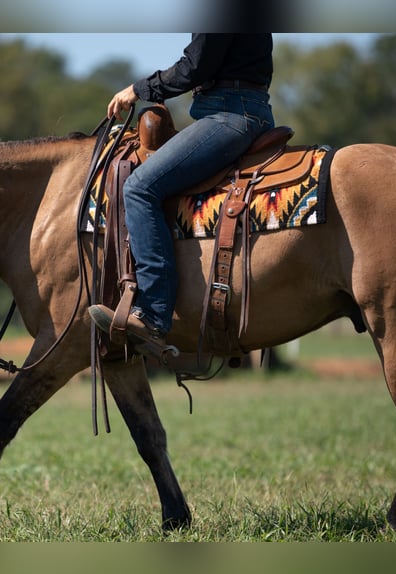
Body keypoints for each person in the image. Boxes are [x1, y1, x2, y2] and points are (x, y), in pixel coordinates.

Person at [89, 33, 275, 353]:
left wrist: (139, 90)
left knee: (139, 188)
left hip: (228, 114)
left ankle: (153, 313)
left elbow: (194, 68)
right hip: (248, 107)